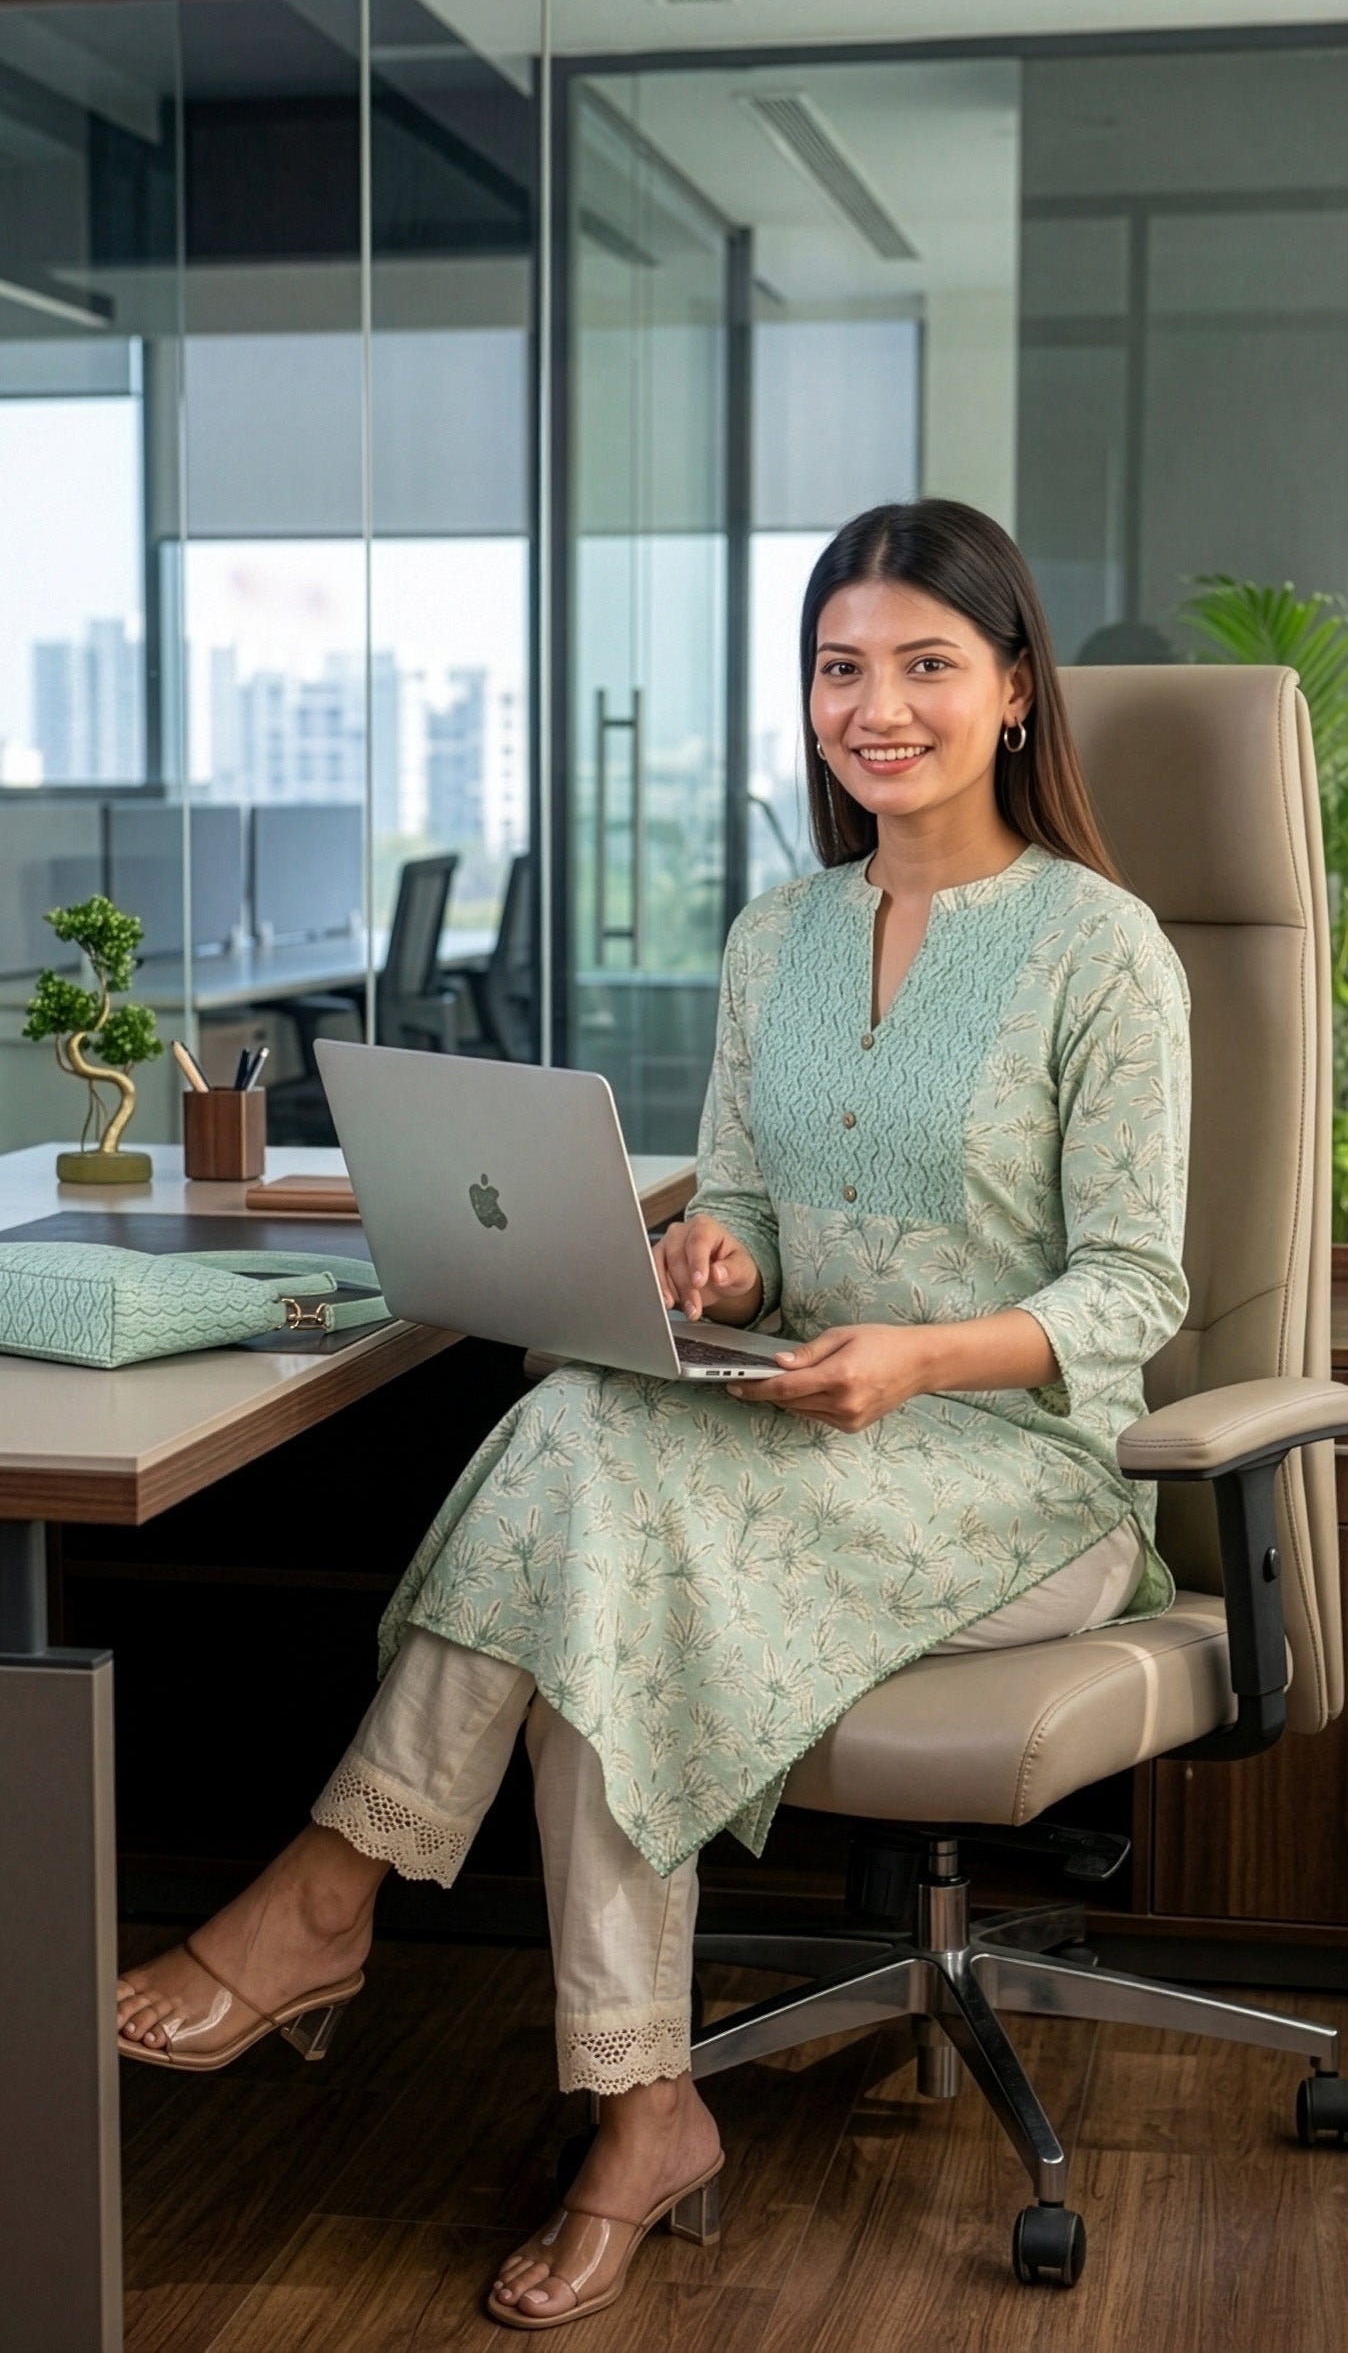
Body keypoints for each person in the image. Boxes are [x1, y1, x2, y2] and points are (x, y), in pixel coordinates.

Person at [115, 498, 1191, 2330]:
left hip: (1019, 1478)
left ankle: (339, 1898)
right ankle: (638, 2106)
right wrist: (714, 1272)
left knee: (592, 1497)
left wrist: (921, 1356)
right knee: (598, 1489)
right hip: (792, 1422)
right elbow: (760, 1213)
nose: (879, 705)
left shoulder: (1107, 950)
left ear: (1014, 691)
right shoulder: (779, 935)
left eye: (927, 665)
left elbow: (1135, 1291)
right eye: (841, 668)